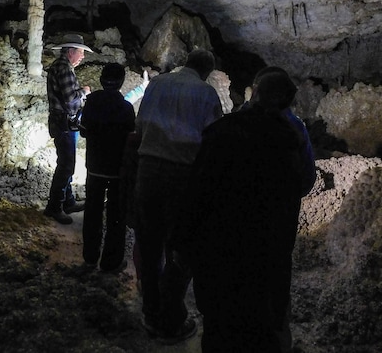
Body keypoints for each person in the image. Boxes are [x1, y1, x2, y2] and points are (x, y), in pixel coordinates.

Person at [177, 68, 313, 353]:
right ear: (287, 102)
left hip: (221, 248)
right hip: (269, 250)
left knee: (219, 326)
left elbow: (197, 189)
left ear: (255, 95)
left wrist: (183, 240)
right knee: (266, 327)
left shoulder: (222, 130)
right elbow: (305, 182)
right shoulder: (293, 136)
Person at [134, 49, 223, 344]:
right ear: (206, 71)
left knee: (149, 242)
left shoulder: (158, 83)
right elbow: (212, 140)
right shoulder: (207, 93)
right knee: (181, 247)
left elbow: (140, 124)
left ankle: (150, 309)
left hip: (148, 169)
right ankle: (170, 317)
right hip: (183, 176)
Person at [79, 63, 136, 272]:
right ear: (121, 82)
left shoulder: (92, 101)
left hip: (94, 166)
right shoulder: (126, 108)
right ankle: (111, 262)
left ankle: (90, 257)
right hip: (117, 170)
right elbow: (131, 137)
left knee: (92, 212)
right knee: (116, 216)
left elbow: (83, 130)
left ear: (102, 80)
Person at [44, 33, 92, 225]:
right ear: (71, 52)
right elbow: (70, 99)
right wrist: (85, 92)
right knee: (66, 165)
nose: (83, 56)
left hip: (62, 122)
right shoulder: (64, 69)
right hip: (64, 123)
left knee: (67, 163)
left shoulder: (61, 67)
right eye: (81, 52)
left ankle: (68, 202)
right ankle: (54, 207)